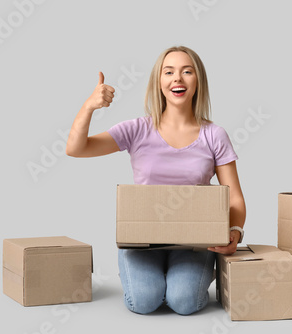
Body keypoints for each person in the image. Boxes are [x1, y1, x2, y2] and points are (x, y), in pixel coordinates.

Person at [66, 45, 246, 315]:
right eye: (169, 72)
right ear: (159, 82)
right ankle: (150, 275)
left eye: (187, 71)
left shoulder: (214, 135)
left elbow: (234, 196)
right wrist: (89, 106)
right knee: (144, 301)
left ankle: (180, 276)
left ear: (198, 80)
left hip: (194, 242)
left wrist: (235, 232)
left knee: (184, 302)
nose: (178, 79)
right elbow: (76, 148)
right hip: (142, 241)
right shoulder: (137, 130)